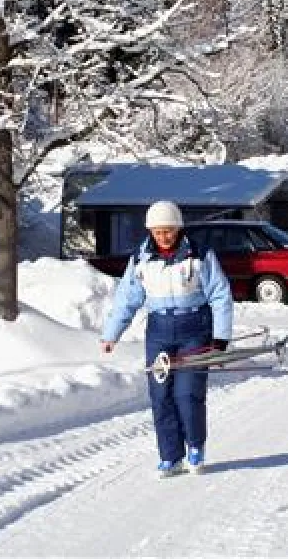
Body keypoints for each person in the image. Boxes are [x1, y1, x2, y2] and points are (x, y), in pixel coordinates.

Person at [100, 200, 233, 477]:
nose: (164, 237)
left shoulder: (199, 255)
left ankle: (195, 447)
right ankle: (170, 456)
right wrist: (112, 334)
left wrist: (220, 338)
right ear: (151, 231)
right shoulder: (141, 259)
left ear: (178, 228)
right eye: (158, 232)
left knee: (187, 394)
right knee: (161, 397)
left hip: (194, 329)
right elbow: (127, 298)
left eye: (169, 231)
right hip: (159, 332)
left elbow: (220, 295)